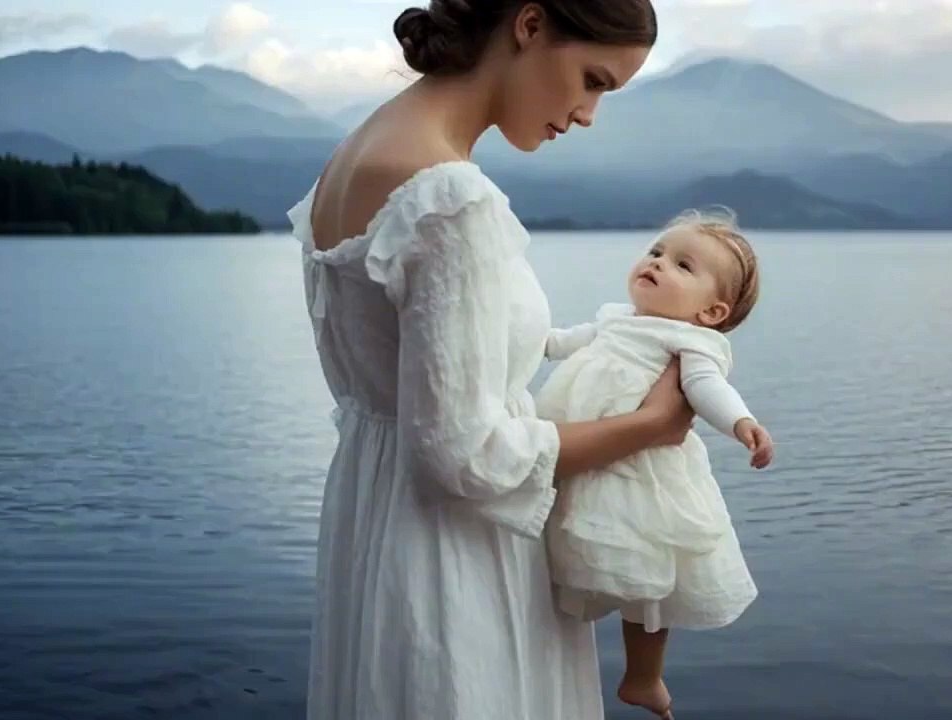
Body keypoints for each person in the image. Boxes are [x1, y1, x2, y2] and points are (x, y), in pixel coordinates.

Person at [286, 1, 683, 718]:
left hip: (376, 533)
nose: (589, 113)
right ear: (529, 26)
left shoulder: (354, 155)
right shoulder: (447, 197)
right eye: (592, 80)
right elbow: (461, 452)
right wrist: (651, 426)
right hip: (455, 565)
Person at [537, 209, 771, 719]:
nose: (659, 264)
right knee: (571, 547)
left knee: (647, 578)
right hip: (582, 457)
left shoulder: (691, 343)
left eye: (683, 266)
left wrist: (741, 423)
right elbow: (555, 342)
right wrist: (513, 335)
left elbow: (708, 389)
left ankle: (644, 677)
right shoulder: (613, 320)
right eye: (658, 252)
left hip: (639, 474)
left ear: (711, 312)